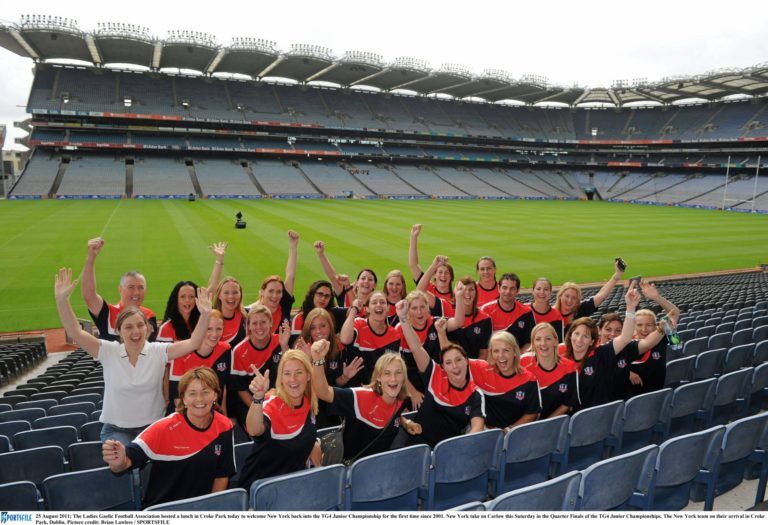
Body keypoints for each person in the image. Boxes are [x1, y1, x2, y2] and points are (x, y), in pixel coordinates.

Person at [55, 267, 213, 444]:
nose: (135, 331)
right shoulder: (109, 351)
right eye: (128, 327)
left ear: (148, 329)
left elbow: (193, 343)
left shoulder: (158, 350)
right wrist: (62, 300)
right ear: (119, 332)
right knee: (122, 460)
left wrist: (206, 314)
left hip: (154, 427)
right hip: (116, 429)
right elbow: (75, 332)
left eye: (140, 325)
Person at [101, 367, 235, 509]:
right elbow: (126, 461)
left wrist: (210, 509)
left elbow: (222, 475)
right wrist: (118, 462)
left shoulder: (224, 425)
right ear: (183, 398)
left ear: (215, 395)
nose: (199, 399)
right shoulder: (164, 428)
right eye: (192, 393)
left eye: (206, 392)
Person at [391, 300, 485, 449]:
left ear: (467, 361)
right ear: (443, 367)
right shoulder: (435, 375)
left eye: (458, 360)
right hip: (417, 447)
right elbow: (416, 348)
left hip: (447, 451)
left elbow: (477, 427)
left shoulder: (475, 394)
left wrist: (461, 448)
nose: (454, 366)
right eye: (448, 363)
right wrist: (403, 318)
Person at [563, 283, 664, 411]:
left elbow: (628, 339)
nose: (579, 340)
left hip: (605, 412)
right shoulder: (561, 353)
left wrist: (631, 307)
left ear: (592, 340)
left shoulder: (601, 352)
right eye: (576, 334)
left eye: (586, 336)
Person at [310, 340, 409, 462]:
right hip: (350, 472)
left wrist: (406, 423)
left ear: (404, 377)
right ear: (378, 377)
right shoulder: (361, 397)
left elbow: (392, 415)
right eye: (387, 373)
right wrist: (318, 360)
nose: (393, 379)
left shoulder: (401, 400)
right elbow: (323, 392)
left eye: (398, 373)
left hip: (378, 470)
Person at [237, 350, 320, 489]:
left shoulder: (308, 401)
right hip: (260, 490)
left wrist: (313, 443)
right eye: (287, 373)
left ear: (308, 376)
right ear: (281, 378)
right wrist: (257, 398)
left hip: (291, 486)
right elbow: (254, 430)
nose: (293, 379)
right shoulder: (272, 403)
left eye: (299, 372)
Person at [438, 321, 539, 430]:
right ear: (491, 353)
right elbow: (453, 357)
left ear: (515, 352)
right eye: (496, 351)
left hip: (516, 433)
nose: (501, 356)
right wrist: (441, 333)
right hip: (487, 433)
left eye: (506, 350)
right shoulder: (482, 369)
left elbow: (532, 413)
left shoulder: (529, 379)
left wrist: (509, 431)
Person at [396, 287, 465, 408]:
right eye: (414, 308)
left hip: (437, 382)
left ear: (428, 307)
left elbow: (458, 322)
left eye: (422, 307)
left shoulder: (436, 322)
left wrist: (459, 297)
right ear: (408, 311)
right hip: (412, 385)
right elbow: (397, 367)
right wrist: (413, 393)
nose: (419, 312)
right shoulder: (401, 329)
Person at [81, 237, 157, 341]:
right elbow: (89, 296)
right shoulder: (108, 313)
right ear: (120, 289)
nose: (136, 292)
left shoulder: (149, 315)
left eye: (141, 288)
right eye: (131, 287)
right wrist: (90, 259)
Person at [230, 305, 290, 426]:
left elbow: (290, 371)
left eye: (263, 322)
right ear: (249, 326)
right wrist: (260, 407)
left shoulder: (281, 340)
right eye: (254, 323)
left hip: (279, 399)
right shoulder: (239, 351)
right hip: (251, 403)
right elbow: (241, 389)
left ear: (271, 323)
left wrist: (284, 347)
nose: (259, 327)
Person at [157, 242, 228, 342]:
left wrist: (219, 260)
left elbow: (213, 287)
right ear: (176, 300)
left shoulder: (201, 319)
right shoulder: (166, 329)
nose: (187, 300)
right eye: (183, 297)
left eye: (191, 296)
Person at [167, 310, 232, 414]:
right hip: (186, 412)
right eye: (208, 329)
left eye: (219, 329)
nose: (214, 334)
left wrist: (224, 415)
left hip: (212, 409)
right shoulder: (181, 352)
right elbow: (177, 399)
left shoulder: (225, 350)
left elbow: (223, 388)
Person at [629, 281, 680, 395]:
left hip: (657, 395)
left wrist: (657, 297)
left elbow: (675, 313)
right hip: (630, 398)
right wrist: (626, 373)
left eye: (649, 325)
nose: (644, 329)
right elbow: (610, 365)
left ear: (655, 326)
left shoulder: (661, 337)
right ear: (633, 326)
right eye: (639, 325)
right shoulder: (626, 342)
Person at [339, 292, 401, 386]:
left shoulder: (394, 335)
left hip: (379, 389)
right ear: (367, 308)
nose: (378, 305)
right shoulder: (359, 324)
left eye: (382, 302)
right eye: (374, 302)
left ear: (388, 308)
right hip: (354, 388)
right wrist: (354, 309)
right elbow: (344, 339)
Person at [521, 323, 578, 418]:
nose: (543, 343)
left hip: (554, 423)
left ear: (556, 341)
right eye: (538, 339)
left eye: (548, 339)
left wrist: (547, 423)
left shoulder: (569, 367)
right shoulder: (522, 362)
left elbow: (567, 404)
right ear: (533, 343)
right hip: (527, 423)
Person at [248, 230, 299, 334]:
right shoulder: (251, 312)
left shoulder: (284, 303)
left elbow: (290, 276)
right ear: (262, 292)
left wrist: (293, 246)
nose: (275, 296)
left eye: (279, 292)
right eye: (270, 291)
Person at [555, 259, 625, 334]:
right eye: (567, 296)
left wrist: (617, 275)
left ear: (577, 300)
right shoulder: (551, 313)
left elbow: (602, 295)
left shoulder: (581, 309)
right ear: (560, 296)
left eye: (574, 298)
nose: (569, 300)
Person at [480, 273, 536, 351]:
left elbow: (530, 342)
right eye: (504, 288)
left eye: (512, 288)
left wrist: (516, 356)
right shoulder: (486, 310)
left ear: (518, 290)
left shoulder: (526, 312)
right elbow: (482, 344)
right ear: (499, 288)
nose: (508, 291)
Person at [314, 240, 377, 308]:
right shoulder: (344, 296)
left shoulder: (378, 304)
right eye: (363, 278)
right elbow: (332, 277)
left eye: (370, 279)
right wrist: (321, 254)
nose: (366, 281)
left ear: (375, 285)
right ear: (356, 283)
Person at [444, 276, 492, 360]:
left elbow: (484, 352)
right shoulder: (446, 312)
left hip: (474, 366)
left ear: (476, 292)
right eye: (462, 289)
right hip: (452, 366)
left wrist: (474, 369)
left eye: (471, 289)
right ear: (456, 292)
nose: (467, 293)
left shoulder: (485, 319)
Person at [409, 225, 455, 306]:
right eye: (440, 272)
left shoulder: (455, 297)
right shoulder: (427, 287)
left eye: (447, 273)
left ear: (451, 277)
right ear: (434, 275)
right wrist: (413, 237)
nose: (443, 275)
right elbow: (413, 265)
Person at [213, 276, 247, 347]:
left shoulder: (246, 315)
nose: (231, 296)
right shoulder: (209, 318)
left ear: (240, 295)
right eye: (226, 293)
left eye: (235, 292)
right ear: (219, 295)